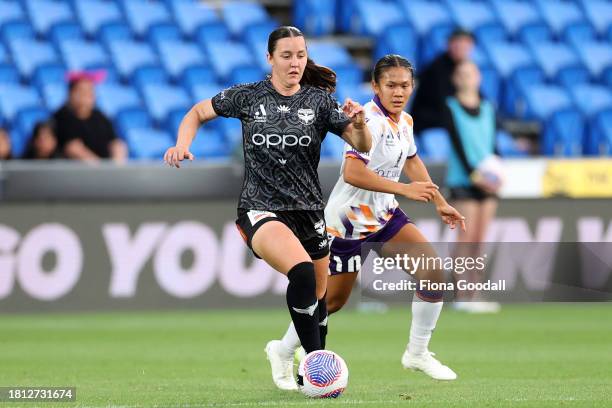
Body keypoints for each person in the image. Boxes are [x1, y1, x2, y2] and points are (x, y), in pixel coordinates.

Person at [163, 26, 372, 390]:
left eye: (301, 55)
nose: (295, 63)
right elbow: (197, 112)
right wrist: (182, 143)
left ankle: (289, 357)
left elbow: (362, 144)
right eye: (287, 55)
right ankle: (316, 367)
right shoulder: (249, 96)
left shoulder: (320, 102)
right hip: (260, 209)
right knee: (303, 274)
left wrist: (359, 124)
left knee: (320, 302)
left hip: (309, 212)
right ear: (270, 58)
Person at [272, 55, 466, 383]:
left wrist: (440, 202)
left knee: (433, 273)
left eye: (405, 85)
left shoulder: (405, 122)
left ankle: (417, 353)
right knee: (331, 301)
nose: (399, 91)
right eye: (391, 85)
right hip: (346, 223)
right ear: (376, 86)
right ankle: (284, 349)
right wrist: (404, 189)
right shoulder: (369, 121)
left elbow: (413, 160)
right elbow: (353, 173)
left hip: (383, 216)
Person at [442, 60, 501, 313]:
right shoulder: (451, 107)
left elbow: (492, 145)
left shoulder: (488, 108)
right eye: (461, 74)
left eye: (471, 73)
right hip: (464, 181)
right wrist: (474, 175)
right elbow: (458, 145)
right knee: (465, 239)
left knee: (479, 241)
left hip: (487, 181)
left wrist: (498, 173)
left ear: (478, 77)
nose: (467, 78)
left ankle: (474, 291)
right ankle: (461, 293)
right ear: (456, 79)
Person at [410, 28, 475, 135]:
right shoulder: (436, 68)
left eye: (466, 44)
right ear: (449, 44)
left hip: (448, 120)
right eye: (458, 43)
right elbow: (444, 104)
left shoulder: (467, 68)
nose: (462, 47)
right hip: (429, 124)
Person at [53, 72, 127, 163]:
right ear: (71, 93)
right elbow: (72, 148)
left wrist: (116, 165)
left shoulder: (100, 117)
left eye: (90, 91)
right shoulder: (62, 117)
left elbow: (115, 142)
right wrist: (99, 169)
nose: (87, 96)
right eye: (82, 91)